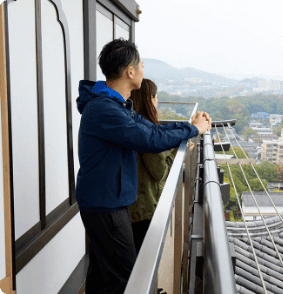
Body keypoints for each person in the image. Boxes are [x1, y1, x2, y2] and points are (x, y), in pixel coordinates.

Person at [76, 38, 211, 294]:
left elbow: (151, 128)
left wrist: (189, 127)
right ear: (130, 71)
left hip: (106, 199)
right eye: (141, 66)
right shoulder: (105, 109)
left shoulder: (116, 105)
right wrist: (193, 129)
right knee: (127, 279)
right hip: (106, 204)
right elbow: (149, 139)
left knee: (103, 272)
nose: (142, 71)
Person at [128, 78, 174, 253]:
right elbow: (160, 172)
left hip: (132, 205)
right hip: (145, 207)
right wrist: (175, 151)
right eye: (155, 97)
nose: (157, 102)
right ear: (149, 99)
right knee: (145, 258)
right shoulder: (147, 131)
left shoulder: (132, 123)